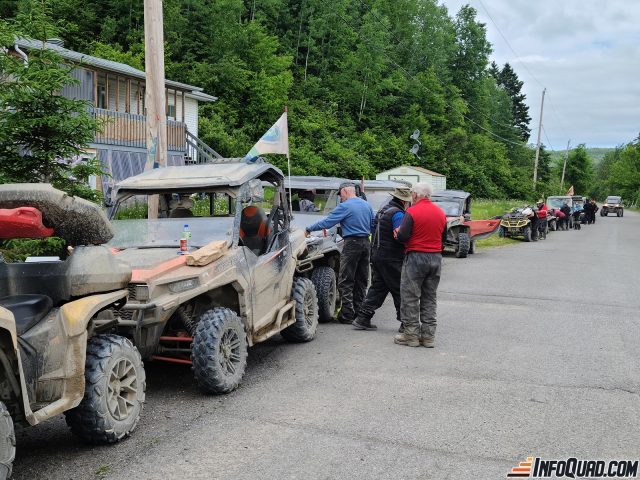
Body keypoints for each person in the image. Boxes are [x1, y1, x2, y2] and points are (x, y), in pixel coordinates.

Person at [305, 183, 374, 324]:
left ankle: (347, 314)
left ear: (345, 191)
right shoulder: (366, 205)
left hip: (352, 244)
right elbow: (373, 224)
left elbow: (328, 222)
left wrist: (309, 228)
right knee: (361, 280)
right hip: (366, 244)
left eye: (340, 195)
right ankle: (359, 313)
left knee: (345, 280)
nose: (340, 198)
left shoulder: (345, 206)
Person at [393, 183, 446, 348]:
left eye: (412, 195)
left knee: (410, 297)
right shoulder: (440, 212)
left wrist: (397, 233)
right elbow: (443, 238)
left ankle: (411, 336)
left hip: (416, 257)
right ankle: (428, 336)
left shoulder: (412, 211)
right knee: (430, 297)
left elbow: (402, 236)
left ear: (415, 195)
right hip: (435, 258)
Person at [352, 187, 412, 331]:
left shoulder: (383, 210)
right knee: (400, 288)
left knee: (378, 287)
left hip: (378, 254)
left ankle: (363, 318)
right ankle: (406, 323)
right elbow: (399, 235)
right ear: (404, 201)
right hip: (391, 257)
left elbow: (373, 229)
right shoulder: (398, 214)